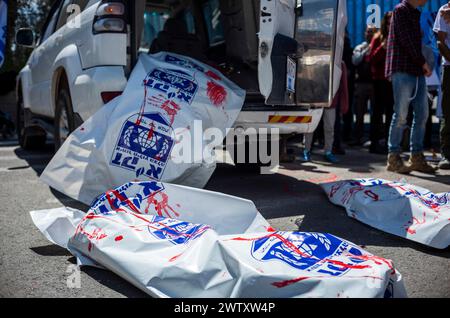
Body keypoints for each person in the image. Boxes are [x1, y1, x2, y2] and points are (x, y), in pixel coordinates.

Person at [385, 0, 435, 174]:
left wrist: (421, 64)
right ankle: (394, 157)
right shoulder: (401, 10)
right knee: (401, 114)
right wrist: (423, 62)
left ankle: (416, 156)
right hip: (403, 68)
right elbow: (407, 41)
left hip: (415, 70)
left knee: (423, 113)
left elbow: (415, 42)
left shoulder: (414, 12)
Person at [304, 62, 348, 164]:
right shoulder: (316, 59)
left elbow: (343, 85)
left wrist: (344, 103)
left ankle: (328, 151)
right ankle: (306, 150)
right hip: (315, 100)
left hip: (331, 101)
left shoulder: (340, 63)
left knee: (329, 128)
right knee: (310, 127)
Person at [367, 12, 393, 155]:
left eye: (392, 23)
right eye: (388, 23)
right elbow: (370, 59)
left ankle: (390, 144)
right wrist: (382, 48)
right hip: (379, 81)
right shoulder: (378, 38)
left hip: (393, 81)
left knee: (391, 114)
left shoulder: (397, 38)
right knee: (377, 113)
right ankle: (374, 143)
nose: (390, 26)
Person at [350, 25, 377, 146]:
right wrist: (367, 49)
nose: (370, 34)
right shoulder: (360, 47)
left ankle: (374, 139)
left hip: (375, 84)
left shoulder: (378, 47)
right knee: (359, 113)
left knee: (375, 114)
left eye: (372, 32)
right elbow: (355, 61)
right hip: (361, 84)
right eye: (368, 32)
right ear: (364, 33)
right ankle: (357, 138)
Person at [434, 2, 450, 169]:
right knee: (447, 111)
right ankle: (446, 154)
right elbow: (440, 42)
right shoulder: (444, 10)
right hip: (449, 66)